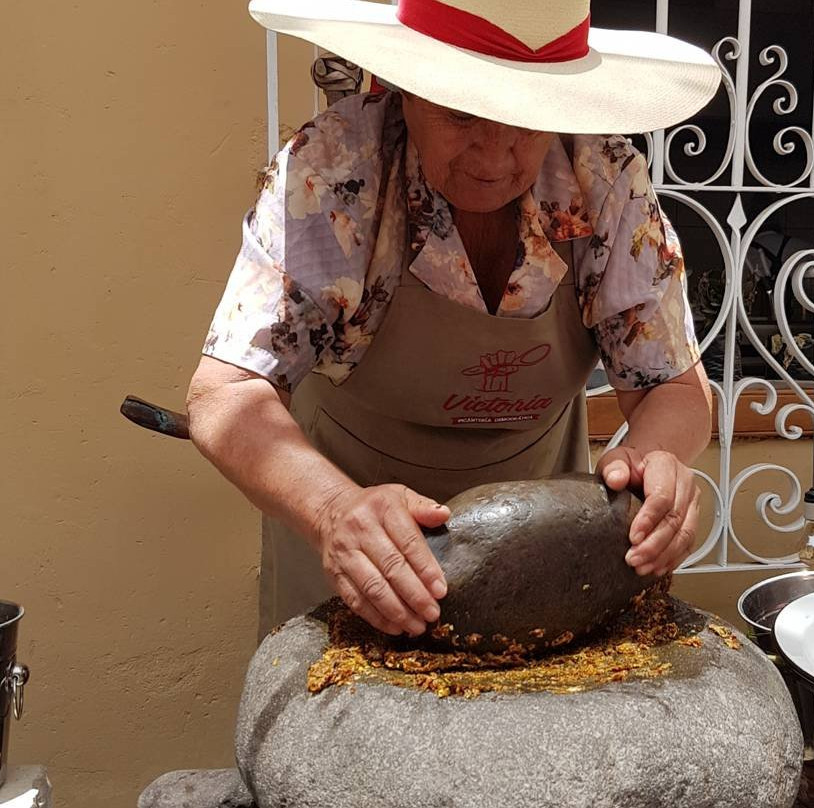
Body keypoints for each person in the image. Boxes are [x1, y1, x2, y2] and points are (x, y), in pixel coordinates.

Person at [187, 0, 722, 640]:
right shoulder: (334, 171)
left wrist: (651, 467)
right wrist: (333, 513)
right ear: (407, 87)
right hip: (360, 563)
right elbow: (226, 395)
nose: (495, 157)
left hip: (541, 564)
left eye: (528, 119)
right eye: (462, 113)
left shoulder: (601, 177)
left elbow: (674, 387)